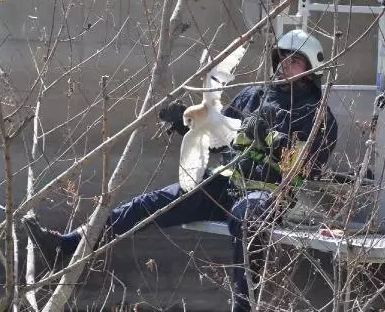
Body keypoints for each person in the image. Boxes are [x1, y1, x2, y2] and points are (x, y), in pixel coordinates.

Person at [23, 29, 338, 312]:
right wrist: (187, 124)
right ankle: (67, 245)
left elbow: (307, 170)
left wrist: (272, 139)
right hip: (224, 186)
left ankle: (242, 306)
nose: (284, 65)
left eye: (295, 60)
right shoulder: (253, 95)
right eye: (281, 57)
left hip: (267, 197)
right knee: (152, 203)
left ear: (312, 69)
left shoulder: (319, 116)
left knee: (246, 216)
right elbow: (218, 138)